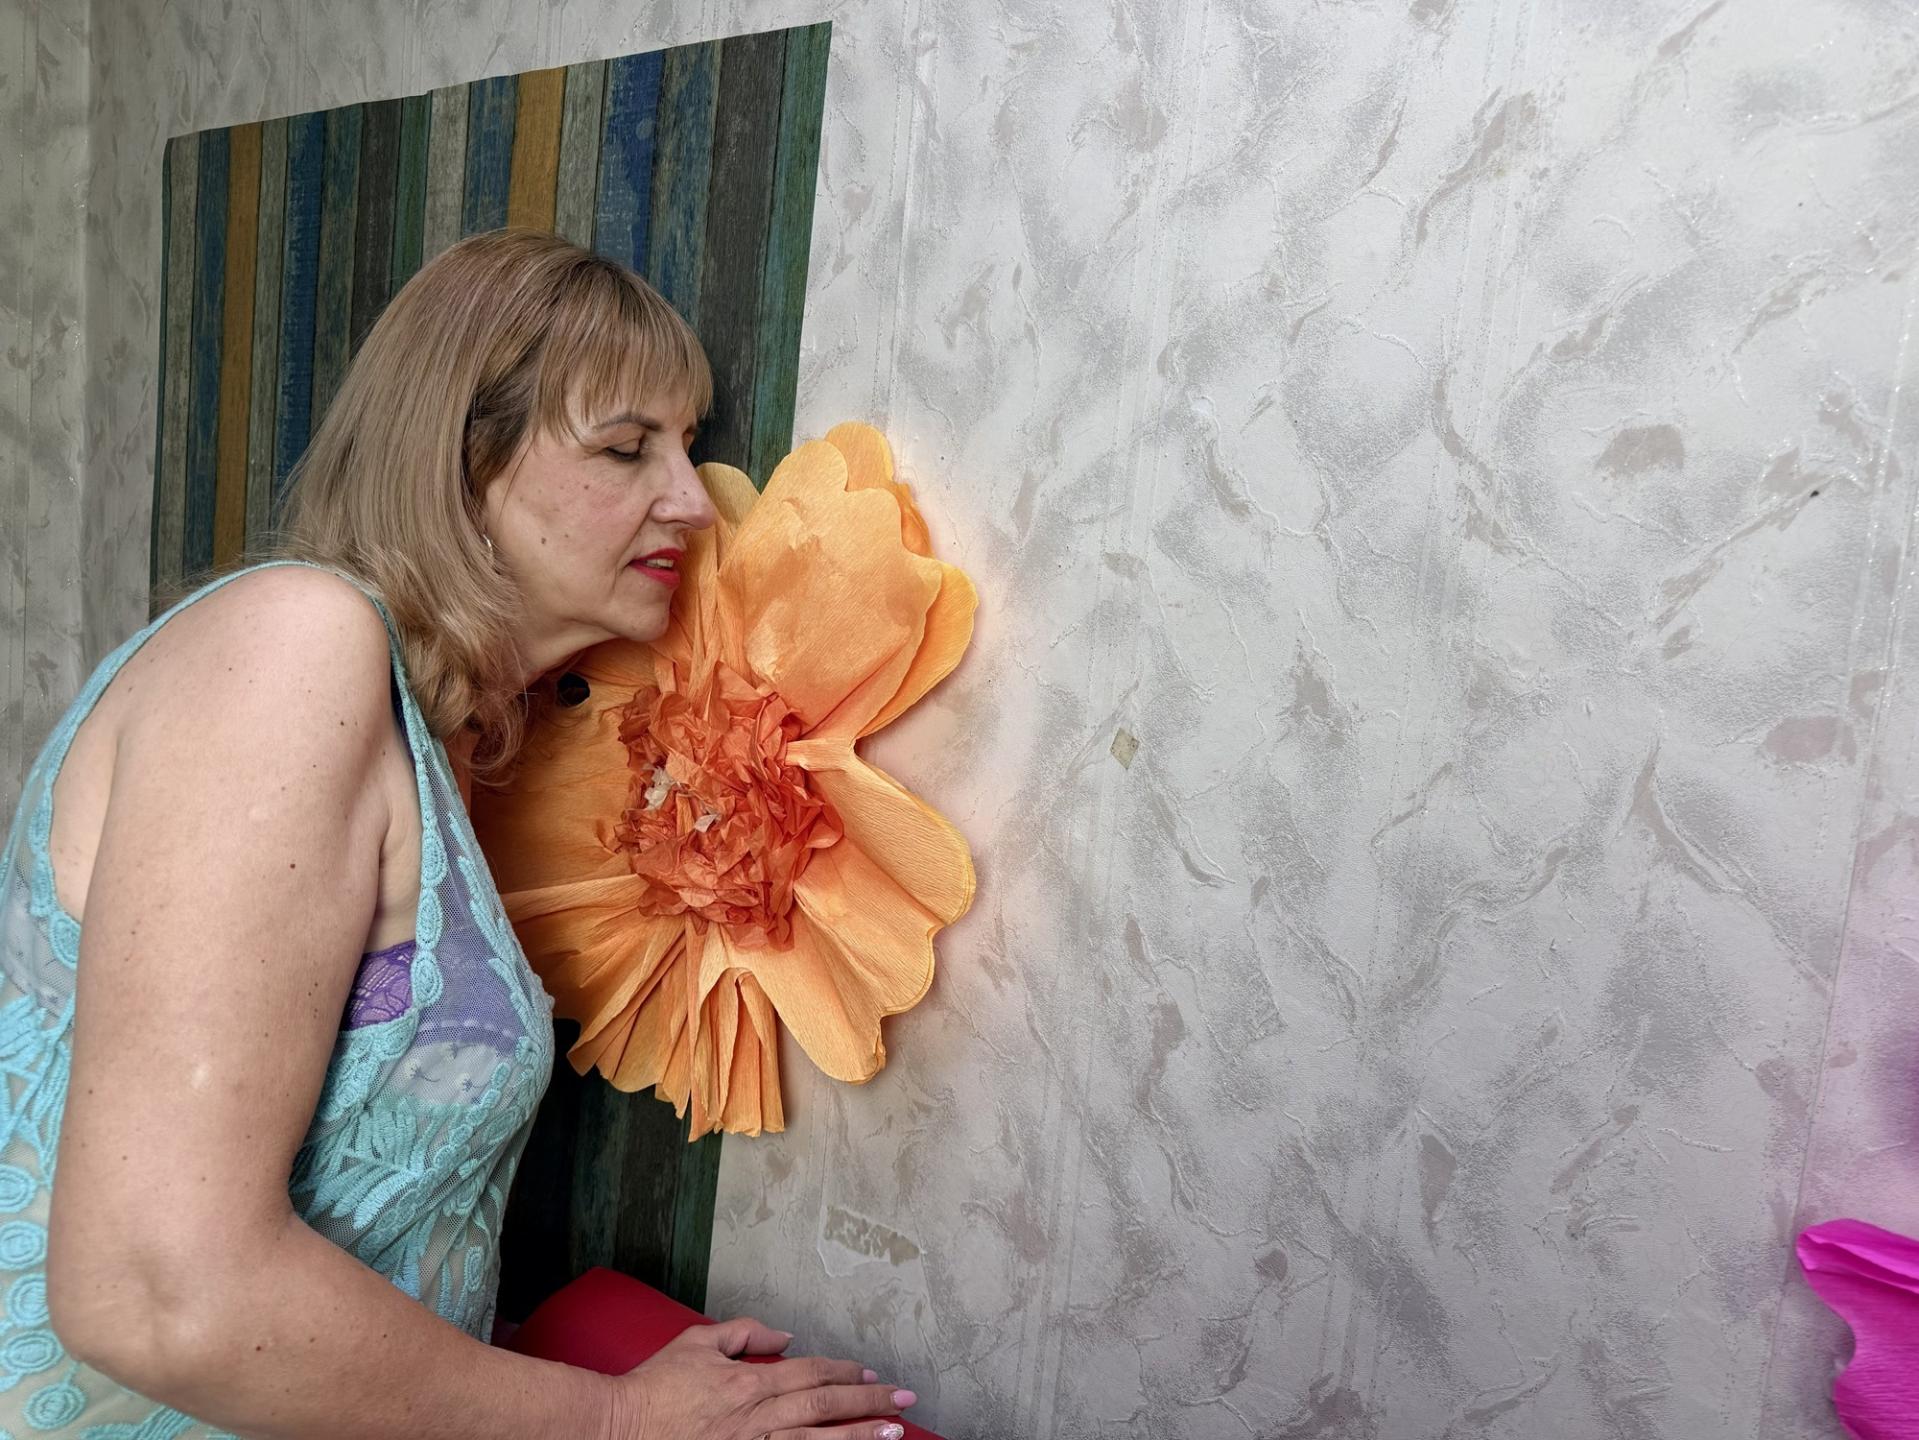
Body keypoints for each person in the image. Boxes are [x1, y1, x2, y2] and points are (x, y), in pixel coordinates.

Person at [0, 229, 916, 1439]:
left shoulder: (447, 739)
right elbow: (159, 1297)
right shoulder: (294, 643)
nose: (694, 502)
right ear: (460, 462)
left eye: (687, 446)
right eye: (625, 448)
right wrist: (617, 1424)